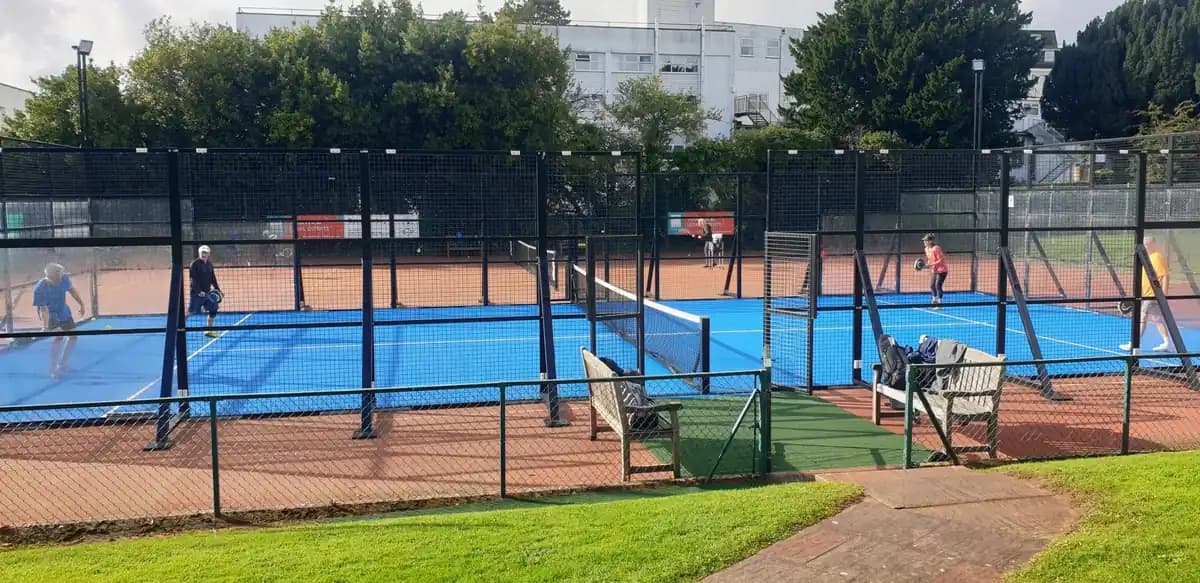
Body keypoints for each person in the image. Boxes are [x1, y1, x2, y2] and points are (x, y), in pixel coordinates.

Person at [32, 263, 87, 378]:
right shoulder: (40, 288)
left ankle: (63, 363)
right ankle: (53, 368)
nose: (63, 275)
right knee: (59, 337)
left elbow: (72, 291)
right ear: (54, 275)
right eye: (60, 273)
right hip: (50, 314)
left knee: (73, 336)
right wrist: (46, 327)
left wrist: (81, 304)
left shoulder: (64, 279)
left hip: (62, 310)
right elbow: (44, 310)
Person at [1121, 236, 1173, 352]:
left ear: (1153, 244)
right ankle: (1167, 342)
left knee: (1142, 317)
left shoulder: (1157, 257)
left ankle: (1134, 344)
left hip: (1153, 294)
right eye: (1144, 244)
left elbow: (1165, 276)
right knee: (1157, 319)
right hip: (1148, 293)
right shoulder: (1148, 257)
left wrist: (1163, 293)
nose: (1145, 246)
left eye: (1147, 244)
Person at [189, 245, 222, 339]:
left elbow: (213, 278)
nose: (204, 254)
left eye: (206, 253)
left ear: (208, 254)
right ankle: (178, 328)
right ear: (199, 253)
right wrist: (199, 291)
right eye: (202, 253)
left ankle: (209, 330)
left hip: (208, 293)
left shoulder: (210, 265)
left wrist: (217, 289)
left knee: (214, 308)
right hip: (196, 294)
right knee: (190, 312)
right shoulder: (194, 264)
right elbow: (193, 280)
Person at [922, 233, 949, 308]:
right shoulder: (926, 249)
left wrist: (930, 265)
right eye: (924, 240)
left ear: (930, 241)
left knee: (938, 285)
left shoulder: (936, 248)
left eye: (926, 240)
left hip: (942, 270)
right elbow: (930, 260)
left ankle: (940, 304)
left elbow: (940, 260)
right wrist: (924, 266)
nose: (924, 242)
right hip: (934, 270)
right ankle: (934, 301)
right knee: (932, 286)